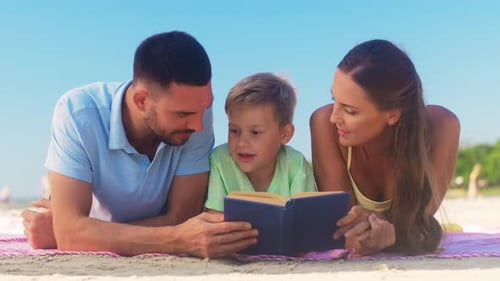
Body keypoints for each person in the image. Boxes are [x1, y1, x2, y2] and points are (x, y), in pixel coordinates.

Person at [21, 31, 258, 258]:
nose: (198, 126)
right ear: (142, 100)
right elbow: (71, 236)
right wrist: (177, 239)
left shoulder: (196, 114)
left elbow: (183, 216)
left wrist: (87, 231)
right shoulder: (77, 113)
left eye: (205, 107)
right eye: (182, 114)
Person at [309, 39, 460, 255]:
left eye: (350, 111)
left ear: (393, 114)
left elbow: (419, 219)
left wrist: (378, 229)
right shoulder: (323, 123)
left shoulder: (441, 127)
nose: (335, 117)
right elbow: (345, 225)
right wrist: (375, 230)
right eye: (334, 99)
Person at [205, 73, 316, 212]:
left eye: (255, 132)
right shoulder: (220, 161)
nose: (241, 143)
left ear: (285, 134)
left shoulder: (296, 164)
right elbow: (214, 219)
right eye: (234, 131)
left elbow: (304, 218)